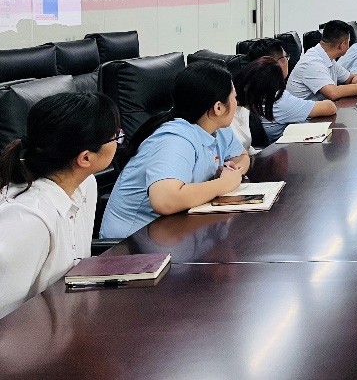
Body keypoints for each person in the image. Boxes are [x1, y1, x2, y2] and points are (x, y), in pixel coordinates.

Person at [0, 93, 120, 318]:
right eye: (115, 137)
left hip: (67, 320)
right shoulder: (28, 220)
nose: (118, 141)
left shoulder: (86, 185)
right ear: (85, 158)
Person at [100, 61, 251, 239]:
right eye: (233, 97)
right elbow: (164, 200)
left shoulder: (218, 129)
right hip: (131, 242)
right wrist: (223, 184)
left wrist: (233, 170)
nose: (236, 102)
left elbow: (241, 156)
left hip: (174, 230)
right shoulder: (175, 139)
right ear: (218, 108)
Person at [232, 56, 336, 150]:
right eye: (285, 56)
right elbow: (330, 107)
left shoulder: (237, 98)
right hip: (275, 152)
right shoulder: (277, 100)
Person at [285, 20, 357, 101]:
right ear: (343, 44)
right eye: (348, 42)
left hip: (318, 113)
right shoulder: (312, 62)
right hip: (303, 119)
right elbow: (333, 93)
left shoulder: (327, 57)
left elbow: (350, 79)